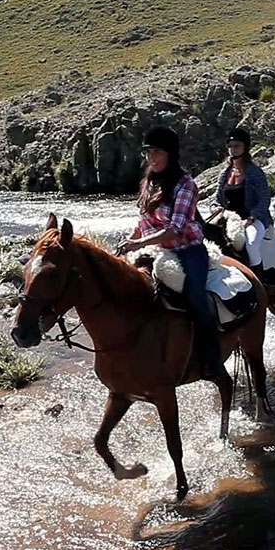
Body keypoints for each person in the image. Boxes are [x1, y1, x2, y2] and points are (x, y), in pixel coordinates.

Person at [116, 126, 227, 380]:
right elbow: (143, 223)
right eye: (148, 152)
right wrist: (130, 241)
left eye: (157, 152)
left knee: (195, 297)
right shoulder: (148, 183)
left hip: (187, 250)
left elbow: (175, 229)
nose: (151, 157)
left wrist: (139, 243)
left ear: (170, 154)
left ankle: (211, 357)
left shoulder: (185, 184)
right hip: (157, 249)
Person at [210, 128, 273, 279]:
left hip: (252, 219)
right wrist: (215, 207)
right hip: (230, 220)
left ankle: (259, 281)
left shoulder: (255, 172)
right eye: (230, 146)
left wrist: (252, 216)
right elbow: (217, 197)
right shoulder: (225, 173)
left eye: (237, 145)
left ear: (245, 148)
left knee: (251, 245)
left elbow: (265, 199)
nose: (233, 149)